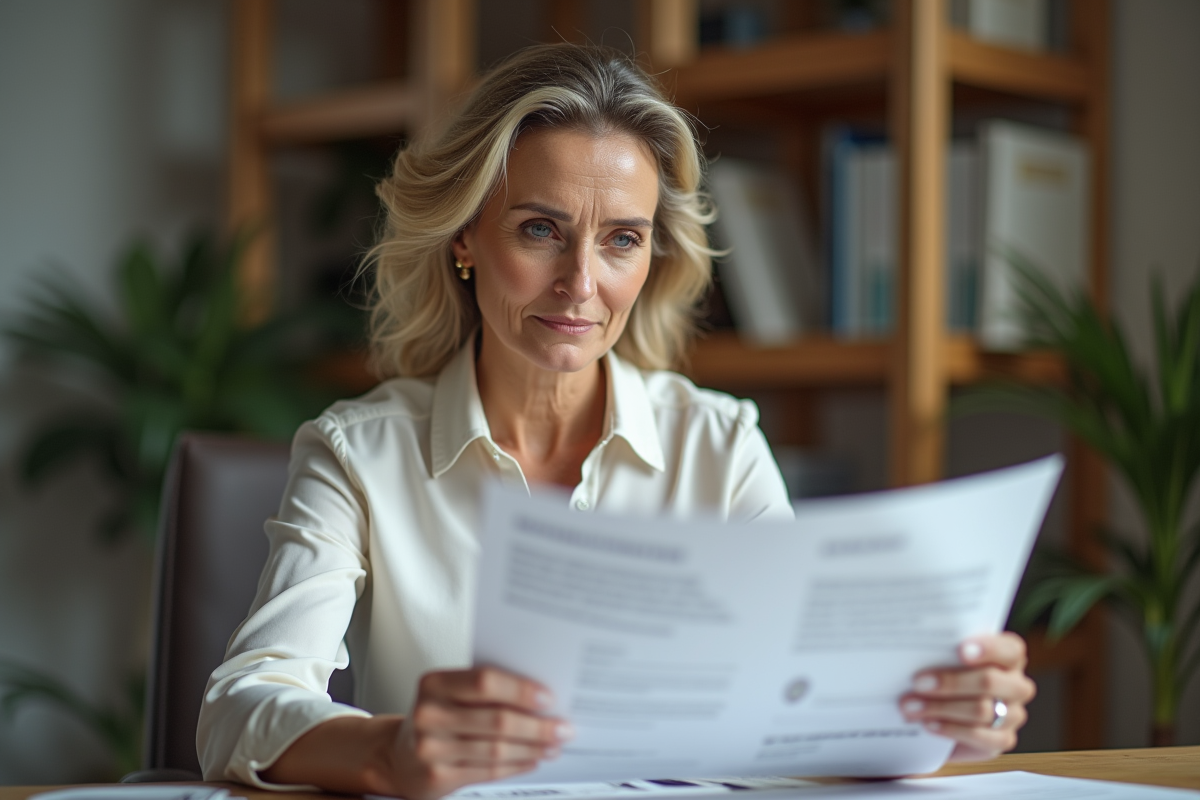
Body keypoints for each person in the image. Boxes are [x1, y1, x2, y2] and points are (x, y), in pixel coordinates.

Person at [197, 43, 1035, 800]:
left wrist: (942, 724)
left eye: (622, 240)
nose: (581, 283)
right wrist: (394, 753)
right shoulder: (358, 453)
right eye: (540, 230)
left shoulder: (718, 446)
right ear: (464, 238)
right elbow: (239, 707)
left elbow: (805, 707)